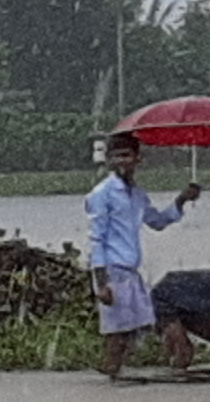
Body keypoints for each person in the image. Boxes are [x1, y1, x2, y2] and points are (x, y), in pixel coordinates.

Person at [84, 129, 199, 382]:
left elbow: (156, 221)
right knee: (118, 331)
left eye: (128, 155)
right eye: (117, 156)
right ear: (110, 161)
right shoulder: (101, 194)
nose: (123, 161)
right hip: (112, 268)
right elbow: (96, 239)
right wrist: (101, 284)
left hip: (130, 269)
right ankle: (112, 373)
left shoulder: (137, 194)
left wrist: (181, 200)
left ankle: (119, 374)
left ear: (138, 159)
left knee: (137, 325)